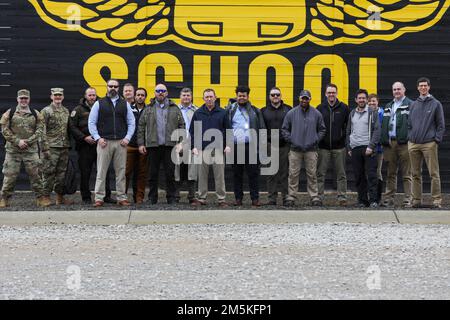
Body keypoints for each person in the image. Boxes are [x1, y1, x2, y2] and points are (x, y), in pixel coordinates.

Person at [88, 79, 136, 207]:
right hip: (104, 142)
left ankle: (121, 197)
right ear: (107, 87)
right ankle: (99, 198)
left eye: (115, 86)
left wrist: (127, 138)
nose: (113, 88)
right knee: (101, 171)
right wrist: (98, 138)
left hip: (121, 142)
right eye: (111, 86)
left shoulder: (124, 104)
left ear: (118, 88)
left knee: (121, 172)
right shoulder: (99, 103)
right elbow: (91, 123)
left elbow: (131, 122)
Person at [0, 89, 51, 208]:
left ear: (29, 99)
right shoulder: (10, 112)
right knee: (10, 175)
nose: (23, 100)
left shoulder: (35, 113)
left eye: (25, 98)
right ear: (17, 99)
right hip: (13, 150)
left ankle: (40, 198)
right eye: (21, 98)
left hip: (30, 150)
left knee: (36, 175)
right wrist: (18, 141)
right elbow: (4, 129)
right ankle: (4, 198)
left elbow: (40, 130)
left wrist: (28, 141)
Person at [137, 84, 185, 204]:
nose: (160, 93)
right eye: (158, 91)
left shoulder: (174, 108)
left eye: (163, 91)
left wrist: (180, 143)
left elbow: (182, 126)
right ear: (154, 93)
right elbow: (141, 127)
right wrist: (141, 143)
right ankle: (152, 198)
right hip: (153, 146)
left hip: (170, 146)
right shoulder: (148, 108)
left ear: (167, 93)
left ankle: (171, 197)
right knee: (152, 174)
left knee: (170, 174)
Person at [69, 87, 114, 204]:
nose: (92, 97)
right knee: (85, 172)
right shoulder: (78, 110)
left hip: (101, 144)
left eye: (94, 95)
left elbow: (108, 123)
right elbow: (72, 127)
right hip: (85, 146)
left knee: (104, 171)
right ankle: (86, 197)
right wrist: (84, 137)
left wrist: (102, 137)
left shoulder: (102, 106)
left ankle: (106, 196)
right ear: (85, 96)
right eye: (90, 95)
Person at [282, 90, 326, 206]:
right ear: (299, 98)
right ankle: (291, 196)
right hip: (295, 150)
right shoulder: (291, 113)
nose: (304, 100)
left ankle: (314, 197)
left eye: (306, 98)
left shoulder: (316, 113)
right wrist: (292, 139)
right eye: (303, 98)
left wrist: (315, 139)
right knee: (293, 174)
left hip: (311, 150)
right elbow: (284, 129)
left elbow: (322, 129)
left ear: (310, 99)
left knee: (312, 174)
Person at [408, 77, 445, 208]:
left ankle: (436, 201)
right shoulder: (413, 104)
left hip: (429, 143)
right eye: (421, 86)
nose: (423, 88)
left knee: (433, 173)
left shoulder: (436, 104)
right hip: (413, 144)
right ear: (417, 88)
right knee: (415, 173)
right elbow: (409, 124)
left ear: (429, 87)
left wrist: (436, 140)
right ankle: (416, 200)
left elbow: (441, 125)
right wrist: (410, 137)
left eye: (425, 85)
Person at [226, 85, 266, 207]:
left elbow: (262, 128)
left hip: (251, 146)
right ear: (236, 96)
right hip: (236, 146)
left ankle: (255, 199)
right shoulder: (230, 110)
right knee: (237, 174)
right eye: (239, 95)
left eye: (244, 96)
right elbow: (226, 127)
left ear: (248, 96)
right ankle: (238, 199)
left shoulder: (255, 110)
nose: (241, 98)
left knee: (253, 173)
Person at [190, 88, 230, 207]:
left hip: (218, 149)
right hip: (202, 149)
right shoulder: (198, 113)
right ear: (203, 99)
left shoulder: (222, 113)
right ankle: (202, 198)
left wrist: (228, 145)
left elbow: (228, 130)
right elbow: (193, 132)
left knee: (219, 176)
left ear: (215, 97)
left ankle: (221, 199)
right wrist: (193, 147)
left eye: (211, 96)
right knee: (202, 176)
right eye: (206, 97)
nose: (209, 99)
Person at [380, 82, 413, 207]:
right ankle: (389, 199)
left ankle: (408, 199)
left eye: (399, 89)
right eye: (394, 89)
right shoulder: (389, 105)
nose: (397, 91)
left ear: (404, 90)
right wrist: (385, 140)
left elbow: (414, 124)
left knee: (407, 173)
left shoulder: (410, 104)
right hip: (390, 143)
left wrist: (410, 138)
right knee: (390, 172)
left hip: (405, 143)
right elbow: (384, 124)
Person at [316, 83, 350, 206]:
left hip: (339, 147)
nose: (331, 94)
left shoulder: (344, 108)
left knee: (341, 174)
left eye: (333, 92)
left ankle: (342, 197)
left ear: (336, 93)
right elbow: (316, 127)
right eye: (329, 92)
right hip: (323, 147)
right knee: (320, 173)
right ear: (325, 94)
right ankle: (319, 197)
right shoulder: (320, 108)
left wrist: (344, 140)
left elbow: (348, 127)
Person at [346, 89, 380, 208]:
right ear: (356, 100)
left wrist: (371, 146)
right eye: (359, 98)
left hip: (368, 148)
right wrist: (349, 147)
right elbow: (348, 130)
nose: (361, 100)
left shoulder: (372, 112)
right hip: (355, 148)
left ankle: (373, 200)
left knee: (371, 175)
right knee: (359, 176)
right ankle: (362, 200)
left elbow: (377, 130)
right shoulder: (352, 113)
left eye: (363, 98)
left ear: (367, 100)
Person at [41, 88, 74, 205]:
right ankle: (45, 196)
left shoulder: (66, 111)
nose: (58, 97)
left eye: (60, 95)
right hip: (51, 147)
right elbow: (41, 130)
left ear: (63, 97)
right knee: (48, 172)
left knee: (62, 174)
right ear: (51, 96)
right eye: (55, 95)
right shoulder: (46, 111)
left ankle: (60, 197)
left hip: (64, 146)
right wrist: (44, 147)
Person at [260, 87, 291, 206]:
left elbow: (291, 127)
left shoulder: (288, 110)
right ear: (269, 97)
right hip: (269, 145)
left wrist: (289, 140)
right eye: (273, 95)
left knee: (284, 173)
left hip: (284, 145)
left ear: (281, 96)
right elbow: (261, 129)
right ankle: (271, 199)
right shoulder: (263, 111)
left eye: (277, 94)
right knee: (271, 173)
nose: (275, 97)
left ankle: (286, 198)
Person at [175, 88, 198, 204]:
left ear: (191, 97)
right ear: (180, 97)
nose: (186, 97)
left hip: (192, 143)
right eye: (184, 95)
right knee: (177, 171)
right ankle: (176, 196)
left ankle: (192, 197)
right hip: (177, 143)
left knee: (192, 171)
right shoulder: (174, 110)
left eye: (188, 95)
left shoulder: (196, 110)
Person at [125, 87, 148, 204]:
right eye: (138, 95)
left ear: (145, 97)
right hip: (129, 145)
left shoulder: (149, 110)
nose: (140, 97)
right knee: (126, 172)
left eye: (142, 95)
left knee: (141, 173)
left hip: (143, 146)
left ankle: (139, 197)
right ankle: (122, 196)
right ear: (134, 96)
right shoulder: (128, 108)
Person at [368, 93, 384, 204]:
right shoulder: (366, 113)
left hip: (378, 149)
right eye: (370, 101)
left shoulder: (382, 114)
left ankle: (378, 198)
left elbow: (382, 130)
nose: (372, 103)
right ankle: (370, 197)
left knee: (377, 172)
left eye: (374, 101)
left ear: (377, 102)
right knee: (369, 173)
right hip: (367, 148)